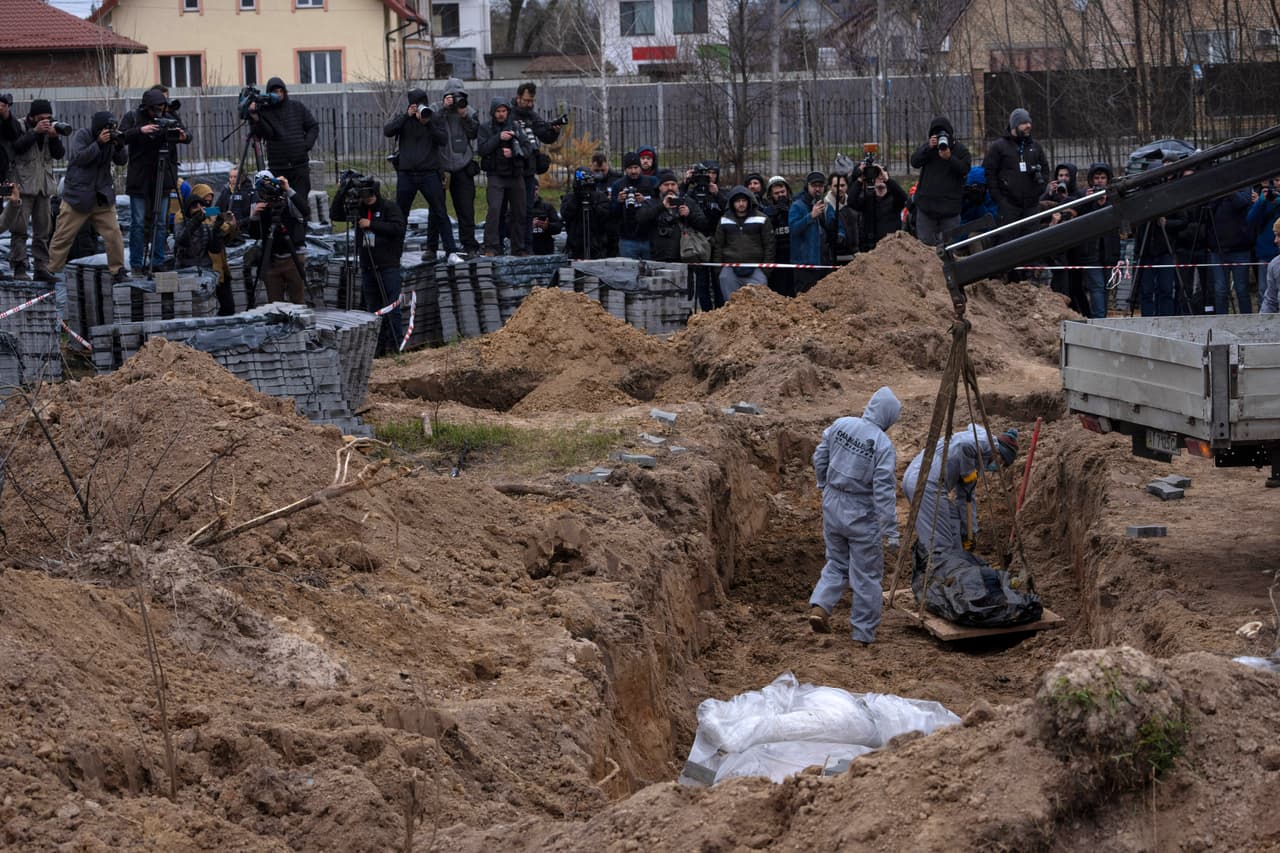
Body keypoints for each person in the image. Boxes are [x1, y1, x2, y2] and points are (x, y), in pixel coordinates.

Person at [806, 387, 902, 645]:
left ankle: (821, 606)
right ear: (889, 417)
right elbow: (883, 491)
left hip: (833, 502)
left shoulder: (842, 424)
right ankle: (862, 633)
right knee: (866, 574)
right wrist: (890, 530)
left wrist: (822, 484)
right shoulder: (883, 445)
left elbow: (820, 455)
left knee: (836, 561)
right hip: (860, 512)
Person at [902, 426, 1018, 559]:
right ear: (999, 453)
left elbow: (966, 497)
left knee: (953, 520)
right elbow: (964, 445)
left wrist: (969, 532)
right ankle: (942, 572)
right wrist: (968, 471)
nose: (998, 468)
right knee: (941, 541)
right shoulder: (985, 443)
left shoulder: (978, 454)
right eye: (1001, 463)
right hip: (927, 482)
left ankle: (957, 559)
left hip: (916, 476)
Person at [46, 112, 129, 285]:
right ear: (99, 128)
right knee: (63, 236)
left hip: (101, 196)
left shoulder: (111, 140)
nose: (110, 131)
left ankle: (117, 270)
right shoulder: (83, 135)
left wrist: (119, 146)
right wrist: (98, 143)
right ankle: (52, 270)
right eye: (107, 128)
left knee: (114, 234)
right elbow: (79, 158)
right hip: (78, 197)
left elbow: (121, 161)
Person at [331, 177, 407, 355]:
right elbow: (335, 215)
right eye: (364, 194)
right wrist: (342, 191)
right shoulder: (359, 209)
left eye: (370, 194)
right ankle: (377, 348)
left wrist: (371, 224)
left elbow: (398, 228)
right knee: (373, 311)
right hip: (367, 267)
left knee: (391, 308)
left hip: (388, 265)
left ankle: (396, 347)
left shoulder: (389, 207)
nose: (368, 198)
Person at [385, 88, 461, 265]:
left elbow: (442, 139)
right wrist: (406, 116)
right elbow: (388, 131)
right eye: (416, 105)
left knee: (440, 212)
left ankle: (451, 252)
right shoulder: (404, 119)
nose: (419, 108)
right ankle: (395, 252)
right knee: (400, 215)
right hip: (406, 174)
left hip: (429, 173)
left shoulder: (433, 117)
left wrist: (427, 123)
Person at [246, 77, 319, 222]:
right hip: (278, 168)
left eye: (281, 91)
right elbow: (265, 134)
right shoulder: (264, 111)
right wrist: (255, 117)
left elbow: (313, 126)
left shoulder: (297, 107)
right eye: (275, 92)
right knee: (279, 205)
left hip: (299, 167)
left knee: (300, 205)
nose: (278, 94)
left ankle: (300, 237)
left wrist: (305, 145)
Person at [9, 98, 65, 282]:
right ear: (32, 117)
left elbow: (59, 155)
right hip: (23, 186)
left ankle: (41, 267)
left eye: (48, 117)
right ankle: (19, 267)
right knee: (20, 229)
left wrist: (54, 136)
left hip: (43, 187)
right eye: (41, 118)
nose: (46, 121)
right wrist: (35, 132)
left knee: (43, 230)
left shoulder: (50, 129)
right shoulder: (19, 126)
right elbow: (16, 147)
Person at [982, 108, 1051, 242]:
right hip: (1009, 206)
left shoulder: (1035, 147)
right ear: (1015, 125)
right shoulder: (999, 147)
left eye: (1029, 122)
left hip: (1031, 205)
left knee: (1032, 242)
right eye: (1024, 123)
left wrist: (1039, 190)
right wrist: (999, 199)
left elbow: (1045, 169)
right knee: (1008, 242)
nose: (1028, 126)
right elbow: (989, 172)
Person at [431, 77, 481, 256]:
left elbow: (475, 133)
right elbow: (429, 124)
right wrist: (444, 108)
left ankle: (469, 245)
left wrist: (465, 116)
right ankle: (434, 246)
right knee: (437, 209)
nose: (456, 100)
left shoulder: (469, 111)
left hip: (463, 166)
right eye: (453, 96)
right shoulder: (437, 109)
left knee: (466, 209)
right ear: (445, 96)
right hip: (441, 167)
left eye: (460, 96)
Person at [245, 170, 307, 305]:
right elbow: (255, 235)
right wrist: (254, 216)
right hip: (271, 259)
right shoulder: (258, 206)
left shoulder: (287, 200)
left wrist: (288, 189)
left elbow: (305, 211)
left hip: (293, 257)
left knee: (298, 301)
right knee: (275, 304)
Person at [909, 116, 972, 246]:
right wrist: (928, 147)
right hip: (927, 206)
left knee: (949, 247)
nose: (941, 139)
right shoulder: (929, 149)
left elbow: (965, 169)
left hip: (949, 209)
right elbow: (914, 162)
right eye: (936, 135)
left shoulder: (960, 150)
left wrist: (950, 158)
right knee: (925, 246)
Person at [511, 82, 562, 240]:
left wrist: (554, 131)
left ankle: (526, 244)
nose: (529, 104)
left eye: (532, 101)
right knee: (514, 209)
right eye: (526, 101)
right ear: (518, 98)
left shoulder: (532, 116)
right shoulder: (509, 114)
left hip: (529, 169)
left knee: (527, 208)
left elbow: (544, 136)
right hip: (512, 170)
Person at [477, 98, 528, 256]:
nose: (501, 114)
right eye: (498, 111)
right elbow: (482, 149)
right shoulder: (485, 128)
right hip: (496, 175)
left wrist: (513, 153)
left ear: (508, 112)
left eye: (504, 111)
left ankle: (518, 248)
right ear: (493, 112)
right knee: (494, 211)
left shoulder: (516, 127)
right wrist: (499, 137)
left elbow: (529, 148)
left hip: (515, 175)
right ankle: (491, 246)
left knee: (519, 212)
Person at [711, 184, 774, 303]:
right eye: (737, 201)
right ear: (732, 203)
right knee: (731, 304)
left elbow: (769, 246)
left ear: (749, 201)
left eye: (743, 200)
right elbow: (718, 246)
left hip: (756, 268)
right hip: (730, 269)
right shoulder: (724, 220)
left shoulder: (762, 219)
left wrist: (766, 271)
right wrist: (719, 271)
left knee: (759, 304)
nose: (741, 204)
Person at [1073, 163, 1121, 318]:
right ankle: (1099, 320)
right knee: (1097, 287)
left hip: (1109, 251)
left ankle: (1102, 317)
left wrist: (1105, 203)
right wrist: (1089, 201)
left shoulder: (1114, 197)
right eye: (1096, 178)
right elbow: (1081, 220)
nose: (1099, 181)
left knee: (1106, 287)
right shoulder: (1083, 197)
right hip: (1090, 253)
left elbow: (1117, 219)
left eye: (1102, 178)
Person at [635, 169, 707, 262]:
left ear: (677, 186)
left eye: (673, 184)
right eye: (666, 185)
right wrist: (662, 207)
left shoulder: (687, 201)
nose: (670, 188)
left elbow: (704, 224)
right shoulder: (651, 203)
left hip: (685, 254)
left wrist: (689, 215)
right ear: (659, 187)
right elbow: (640, 219)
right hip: (659, 256)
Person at [1208, 187, 1255, 314]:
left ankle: (1246, 320)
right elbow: (1209, 207)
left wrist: (1229, 188)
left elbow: (1241, 203)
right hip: (1218, 249)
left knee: (1241, 289)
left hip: (1240, 248)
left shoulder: (1244, 187)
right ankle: (1221, 322)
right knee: (1220, 290)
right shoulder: (1215, 188)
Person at [789, 171, 829, 294]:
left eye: (820, 186)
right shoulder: (797, 206)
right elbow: (793, 230)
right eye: (814, 186)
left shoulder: (825, 205)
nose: (817, 189)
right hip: (804, 263)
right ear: (808, 186)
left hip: (822, 261)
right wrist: (810, 216)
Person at [611, 152, 656, 259]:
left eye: (636, 167)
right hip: (627, 239)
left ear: (640, 167)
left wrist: (645, 201)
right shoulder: (618, 185)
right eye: (630, 168)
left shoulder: (651, 182)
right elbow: (612, 213)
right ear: (625, 169)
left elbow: (659, 205)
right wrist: (618, 201)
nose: (633, 171)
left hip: (649, 237)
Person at [854, 161, 907, 249]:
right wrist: (860, 180)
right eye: (877, 176)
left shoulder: (894, 198)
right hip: (870, 247)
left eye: (881, 176)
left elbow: (903, 198)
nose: (880, 178)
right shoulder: (867, 198)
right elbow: (851, 201)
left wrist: (887, 180)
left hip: (891, 247)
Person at [561, 168, 611, 259]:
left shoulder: (600, 197)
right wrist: (577, 196)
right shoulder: (569, 198)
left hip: (597, 248)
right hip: (575, 248)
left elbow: (605, 216)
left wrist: (591, 200)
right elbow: (566, 215)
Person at [173, 193, 225, 271]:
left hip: (205, 267)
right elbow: (182, 241)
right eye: (195, 206)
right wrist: (196, 221)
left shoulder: (205, 224)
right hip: (186, 269)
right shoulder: (182, 222)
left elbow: (214, 249)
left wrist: (217, 228)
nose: (199, 208)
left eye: (201, 205)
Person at [822, 171, 862, 264]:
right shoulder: (826, 206)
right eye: (836, 186)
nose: (840, 188)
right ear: (830, 187)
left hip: (855, 255)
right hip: (835, 257)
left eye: (843, 185)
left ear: (847, 186)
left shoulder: (852, 202)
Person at [764, 176, 793, 297]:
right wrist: (775, 215)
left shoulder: (794, 207)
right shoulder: (767, 211)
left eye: (782, 192)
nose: (780, 195)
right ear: (771, 195)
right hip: (776, 256)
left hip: (793, 254)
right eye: (776, 193)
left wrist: (787, 213)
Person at [1261, 219, 1280, 314]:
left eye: (1279, 235)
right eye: (1275, 235)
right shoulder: (1275, 264)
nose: (1275, 240)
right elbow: (1270, 301)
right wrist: (1261, 325)